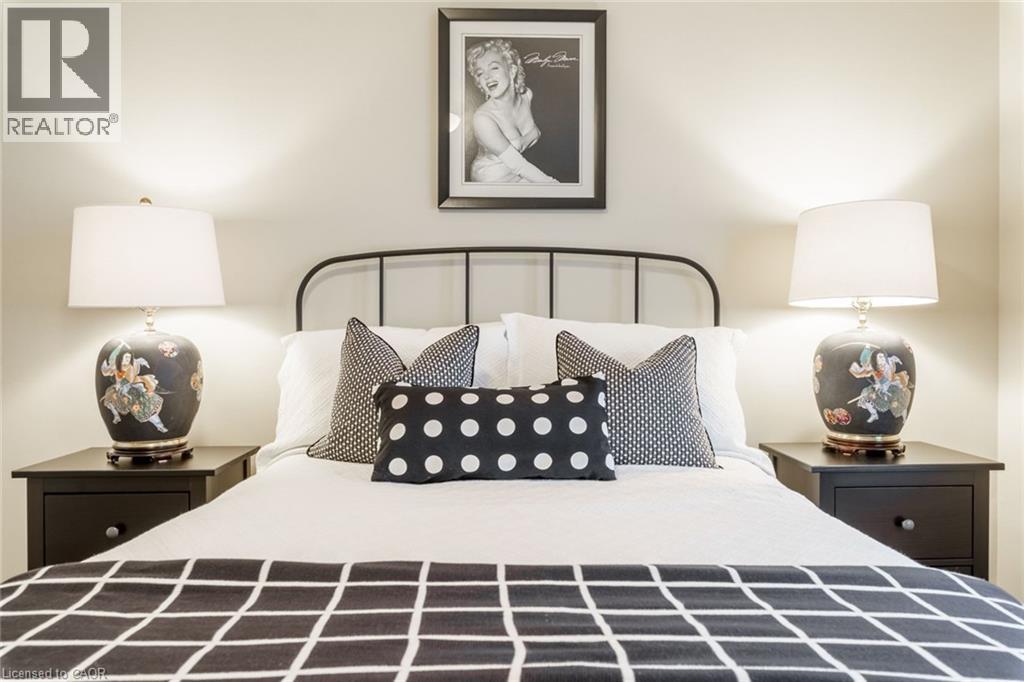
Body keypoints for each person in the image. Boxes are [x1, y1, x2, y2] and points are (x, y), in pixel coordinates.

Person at [466, 38, 559, 184]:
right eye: (480, 73)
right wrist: (554, 186)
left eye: (494, 68)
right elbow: (518, 165)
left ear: (512, 70)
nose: (487, 76)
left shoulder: (528, 96)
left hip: (522, 173)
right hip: (491, 179)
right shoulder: (482, 118)